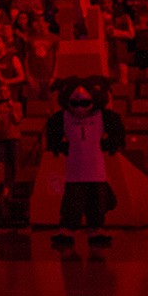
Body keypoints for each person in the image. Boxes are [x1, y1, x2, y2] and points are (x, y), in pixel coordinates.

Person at [47, 79, 126, 246]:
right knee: (72, 203)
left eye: (85, 103)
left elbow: (116, 132)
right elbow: (53, 135)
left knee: (96, 203)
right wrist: (60, 147)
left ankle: (96, 229)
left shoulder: (101, 117)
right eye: (75, 103)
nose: (80, 108)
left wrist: (110, 145)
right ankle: (68, 229)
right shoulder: (64, 118)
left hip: (96, 170)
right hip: (73, 171)